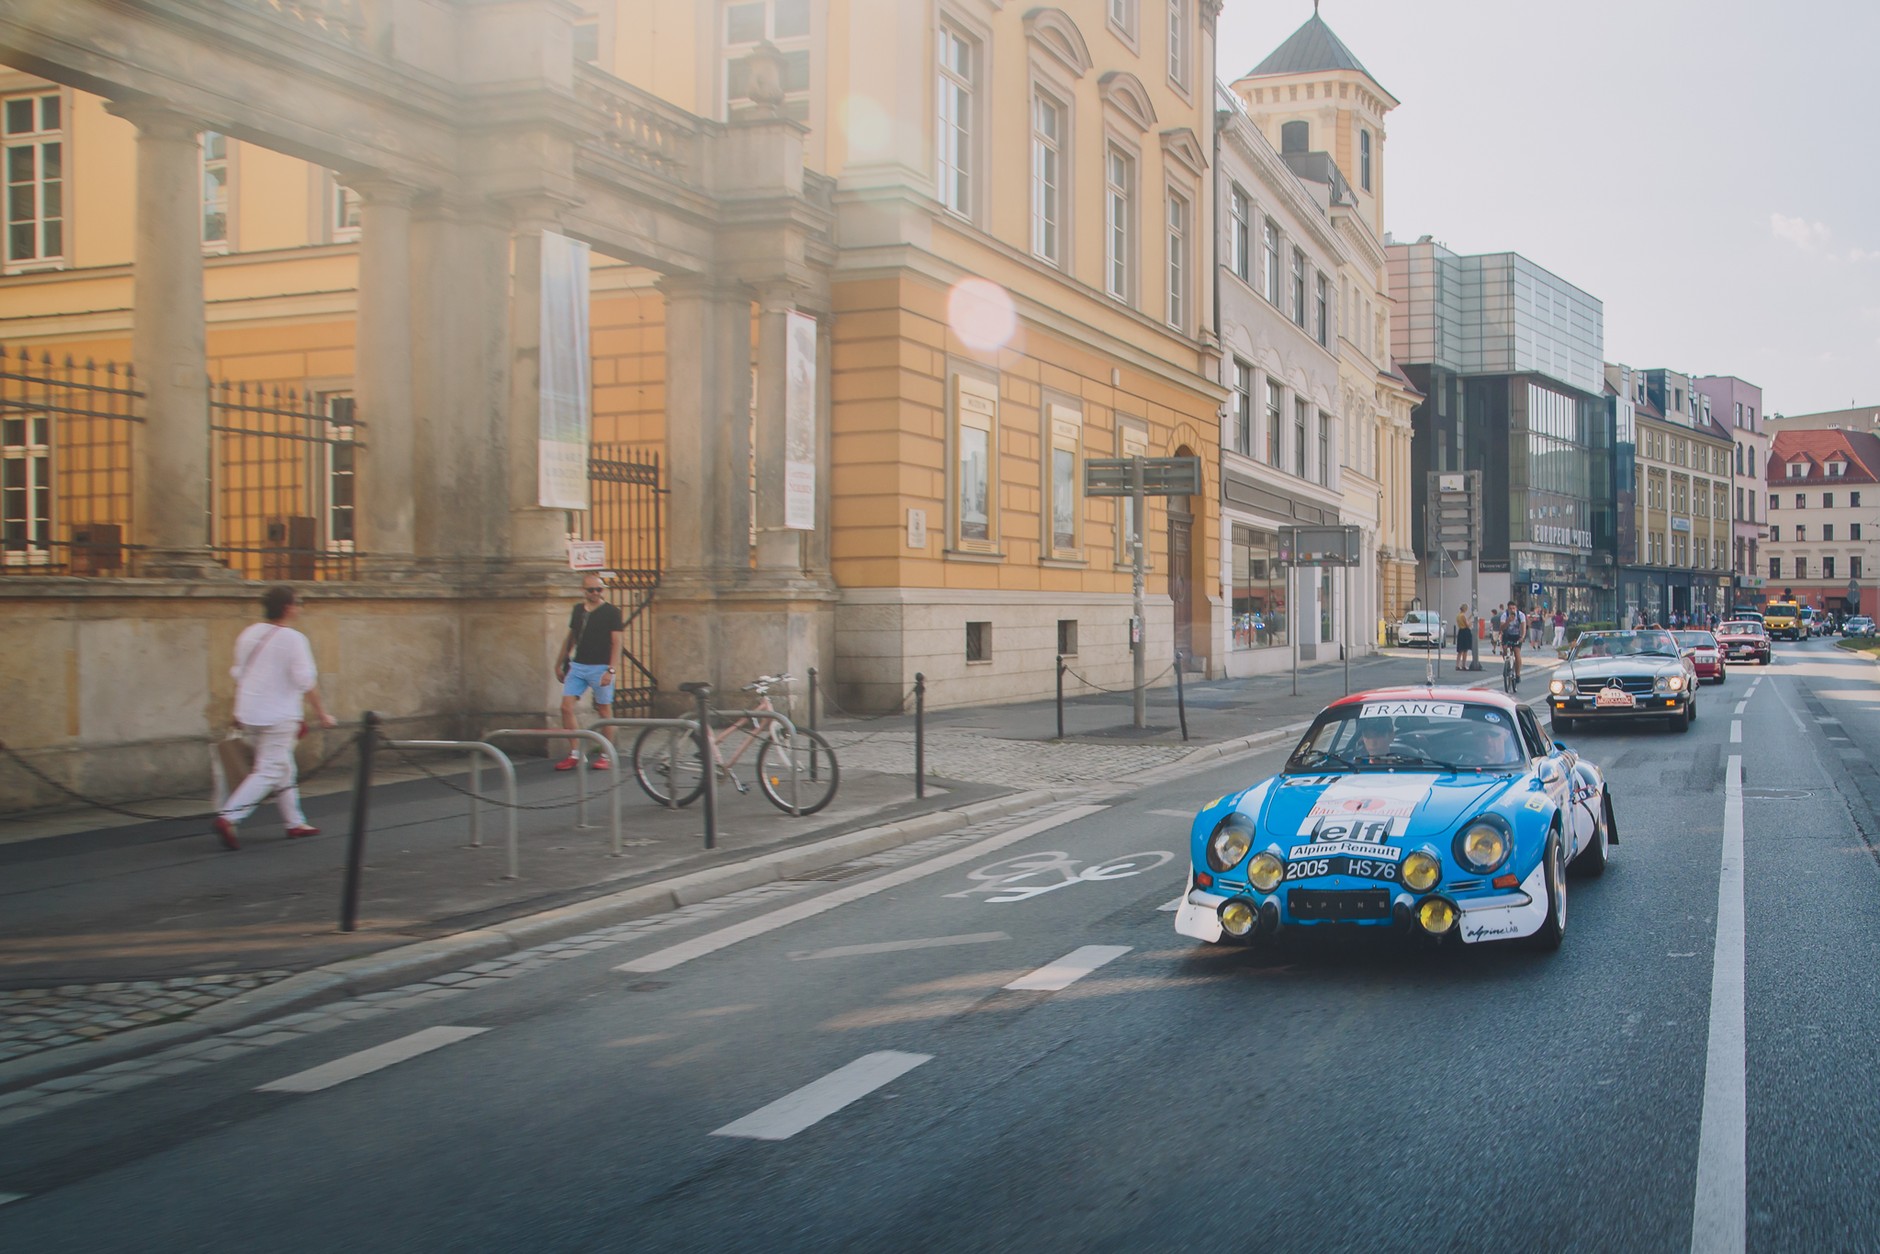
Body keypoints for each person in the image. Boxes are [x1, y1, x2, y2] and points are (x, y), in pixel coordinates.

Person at [213, 585, 338, 851]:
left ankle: (295, 822)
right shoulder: (293, 639)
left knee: (283, 767)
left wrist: (237, 710)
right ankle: (229, 816)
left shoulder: (248, 634)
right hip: (279, 715)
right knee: (268, 770)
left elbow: (241, 675)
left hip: (251, 713)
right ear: (287, 608)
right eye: (298, 602)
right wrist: (321, 713)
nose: (300, 607)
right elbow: (305, 681)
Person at [554, 575, 624, 770]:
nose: (595, 593)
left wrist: (610, 669)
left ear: (603, 591)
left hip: (601, 666)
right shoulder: (578, 610)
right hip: (578, 666)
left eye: (599, 590)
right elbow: (571, 638)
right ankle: (576, 753)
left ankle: (606, 754)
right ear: (583, 590)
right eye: (591, 590)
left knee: (604, 711)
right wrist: (559, 663)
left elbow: (617, 642)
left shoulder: (611, 612)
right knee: (566, 707)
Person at [1501, 601, 1527, 682]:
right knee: (1505, 649)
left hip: (1517, 636)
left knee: (1517, 652)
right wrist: (1508, 621)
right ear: (1507, 609)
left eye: (1513, 608)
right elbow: (1501, 628)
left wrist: (1522, 637)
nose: (1512, 610)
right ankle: (1507, 665)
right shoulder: (1505, 615)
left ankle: (1518, 674)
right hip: (1507, 635)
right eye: (1510, 608)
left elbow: (1523, 626)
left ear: (1516, 608)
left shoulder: (1521, 615)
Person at [1455, 605, 1473, 671]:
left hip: (1460, 632)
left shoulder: (1458, 615)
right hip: (1465, 632)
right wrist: (1471, 623)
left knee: (1460, 650)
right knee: (1465, 650)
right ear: (1465, 609)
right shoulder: (1463, 616)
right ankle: (1464, 665)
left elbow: (1465, 620)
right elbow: (1467, 624)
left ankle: (1457, 665)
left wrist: (1470, 616)